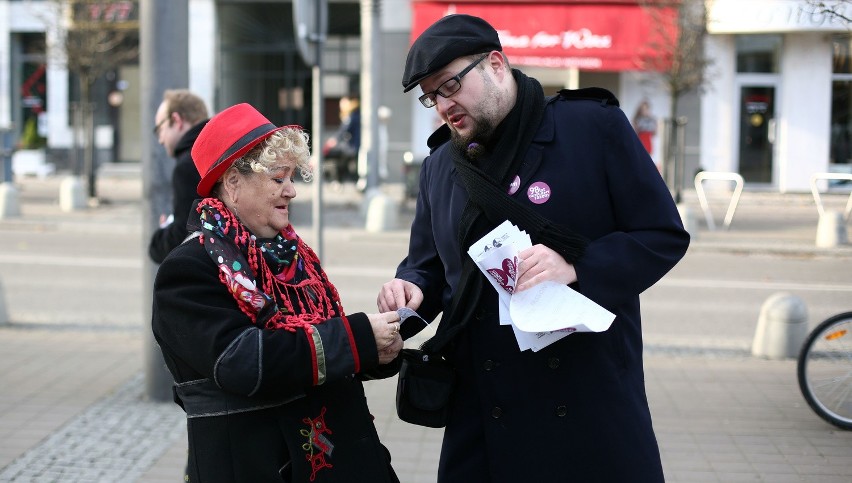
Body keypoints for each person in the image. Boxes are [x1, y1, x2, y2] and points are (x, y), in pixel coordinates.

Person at [376, 14, 690, 482]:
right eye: (431, 96)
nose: (442, 105)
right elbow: (429, 267)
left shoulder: (591, 127)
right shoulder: (440, 166)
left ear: (496, 64)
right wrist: (410, 292)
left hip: (587, 401)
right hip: (484, 407)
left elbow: (662, 234)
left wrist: (577, 265)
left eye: (450, 85)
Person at [152, 103, 403, 482]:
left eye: (291, 178)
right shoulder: (188, 268)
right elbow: (243, 363)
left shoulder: (292, 255)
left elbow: (320, 348)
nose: (291, 191)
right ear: (232, 183)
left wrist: (375, 349)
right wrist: (355, 339)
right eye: (277, 178)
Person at [148, 89, 209, 264]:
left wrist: (161, 236)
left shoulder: (187, 166)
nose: (160, 140)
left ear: (177, 120)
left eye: (160, 129)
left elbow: (184, 236)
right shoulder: (220, 150)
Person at [321, 94, 361, 184]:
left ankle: (335, 179)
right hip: (353, 146)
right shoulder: (355, 113)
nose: (340, 106)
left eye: (342, 104)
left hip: (353, 147)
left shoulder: (352, 115)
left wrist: (334, 140)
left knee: (332, 154)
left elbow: (343, 130)